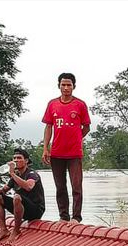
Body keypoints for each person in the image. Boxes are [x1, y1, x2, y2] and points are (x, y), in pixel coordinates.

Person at [41, 72, 91, 224]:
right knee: (60, 187)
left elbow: (87, 127)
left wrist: (76, 138)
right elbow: (48, 127)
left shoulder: (80, 104)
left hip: (74, 153)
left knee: (76, 186)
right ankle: (63, 216)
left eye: (69, 85)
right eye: (63, 84)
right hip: (56, 153)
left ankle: (76, 217)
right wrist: (45, 148)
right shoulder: (52, 104)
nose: (66, 88)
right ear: (59, 86)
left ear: (74, 87)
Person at [0, 148, 45, 243]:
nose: (16, 160)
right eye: (14, 158)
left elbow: (28, 186)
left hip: (35, 209)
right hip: (21, 206)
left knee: (16, 197)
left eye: (19, 158)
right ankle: (4, 230)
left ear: (26, 161)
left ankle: (16, 230)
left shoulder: (32, 174)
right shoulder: (15, 176)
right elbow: (4, 190)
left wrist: (12, 174)